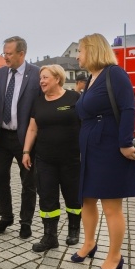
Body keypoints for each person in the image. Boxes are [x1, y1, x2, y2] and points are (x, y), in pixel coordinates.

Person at [73, 33, 135, 269]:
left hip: (110, 146)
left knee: (111, 207)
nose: (78, 56)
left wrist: (124, 144)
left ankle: (115, 256)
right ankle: (89, 243)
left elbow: (128, 108)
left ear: (92, 50)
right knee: (87, 200)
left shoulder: (115, 73)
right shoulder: (91, 78)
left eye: (80, 50)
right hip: (91, 147)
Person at [22, 65, 81, 252]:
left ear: (57, 78)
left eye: (45, 77)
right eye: (41, 78)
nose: (41, 81)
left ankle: (74, 229)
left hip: (71, 159)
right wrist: (25, 152)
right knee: (47, 197)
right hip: (45, 159)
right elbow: (32, 128)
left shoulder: (74, 98)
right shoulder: (38, 102)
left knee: (72, 195)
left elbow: (86, 124)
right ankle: (50, 237)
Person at [0, 36, 40, 239]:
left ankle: (25, 222)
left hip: (25, 138)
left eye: (9, 54)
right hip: (1, 137)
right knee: (0, 179)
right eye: (4, 53)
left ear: (21, 53)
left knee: (28, 182)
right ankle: (5, 216)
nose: (5, 58)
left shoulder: (36, 75)